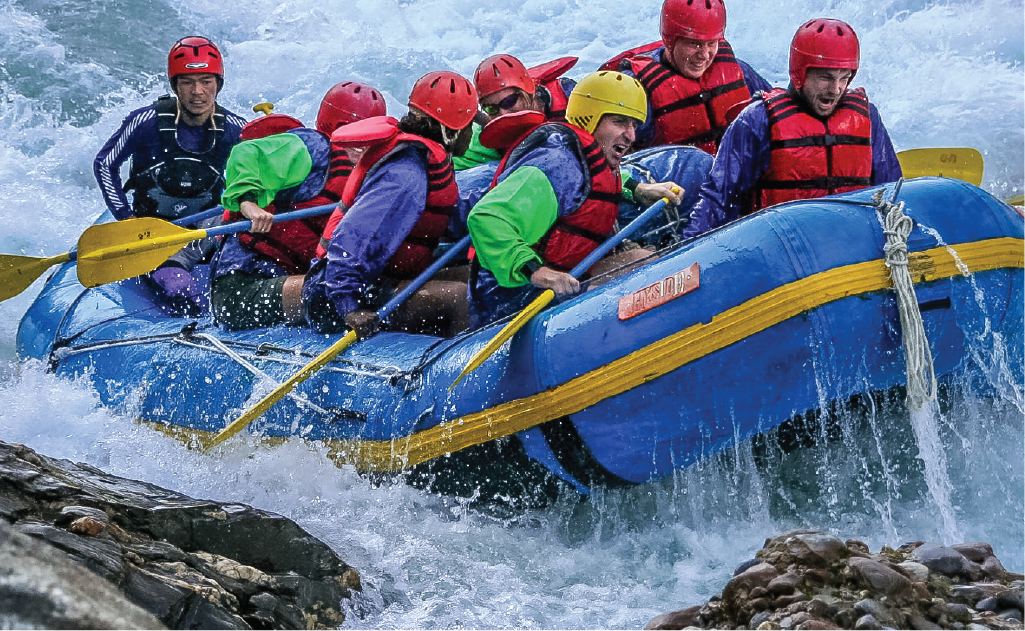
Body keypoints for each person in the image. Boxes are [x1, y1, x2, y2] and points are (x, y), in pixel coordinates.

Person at [466, 71, 685, 328]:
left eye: (633, 124)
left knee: (641, 253)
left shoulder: (581, 154)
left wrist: (636, 188)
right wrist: (538, 273)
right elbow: (486, 219)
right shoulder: (556, 165)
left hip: (551, 281)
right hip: (512, 299)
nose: (631, 136)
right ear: (590, 119)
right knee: (639, 260)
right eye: (620, 122)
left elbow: (592, 180)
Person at [681, 18, 903, 240]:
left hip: (850, 246)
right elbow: (718, 199)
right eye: (825, 78)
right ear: (800, 74)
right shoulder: (757, 120)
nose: (836, 89)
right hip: (781, 249)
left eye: (844, 78)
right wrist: (686, 253)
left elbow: (892, 191)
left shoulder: (867, 117)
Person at [302, 70, 479, 339]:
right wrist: (349, 305)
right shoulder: (406, 175)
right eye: (468, 126)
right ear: (450, 131)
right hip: (338, 292)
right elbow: (354, 236)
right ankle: (462, 373)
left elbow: (449, 217)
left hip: (375, 279)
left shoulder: (421, 160)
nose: (471, 133)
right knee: (459, 298)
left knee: (478, 277)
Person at [209, 82, 387, 330]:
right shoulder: (313, 147)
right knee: (342, 296)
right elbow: (247, 152)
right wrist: (248, 202)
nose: (366, 145)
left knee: (360, 288)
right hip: (240, 289)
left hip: (291, 279)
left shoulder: (368, 172)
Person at [93, 36, 247, 315]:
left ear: (218, 84)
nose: (198, 91)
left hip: (206, 228)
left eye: (206, 81)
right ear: (175, 85)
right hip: (153, 229)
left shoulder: (237, 129)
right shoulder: (146, 122)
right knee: (177, 286)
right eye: (187, 82)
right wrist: (125, 219)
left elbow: (261, 178)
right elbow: (105, 164)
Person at [604, 0, 771, 155]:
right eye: (695, 44)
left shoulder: (738, 71)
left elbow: (783, 114)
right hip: (667, 184)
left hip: (730, 180)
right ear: (669, 41)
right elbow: (605, 161)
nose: (705, 55)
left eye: (712, 43)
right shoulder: (634, 89)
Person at [454, 53, 578, 171]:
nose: (503, 113)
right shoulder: (482, 138)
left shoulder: (570, 96)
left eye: (509, 102)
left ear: (528, 92)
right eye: (492, 108)